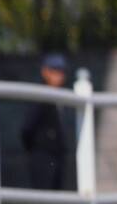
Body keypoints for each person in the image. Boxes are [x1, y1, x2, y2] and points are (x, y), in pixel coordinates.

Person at [20, 53, 73, 190]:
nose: (60, 75)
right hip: (43, 157)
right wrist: (40, 148)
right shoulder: (40, 95)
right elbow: (27, 128)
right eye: (56, 71)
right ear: (45, 72)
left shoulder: (60, 96)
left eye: (62, 72)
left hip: (57, 157)